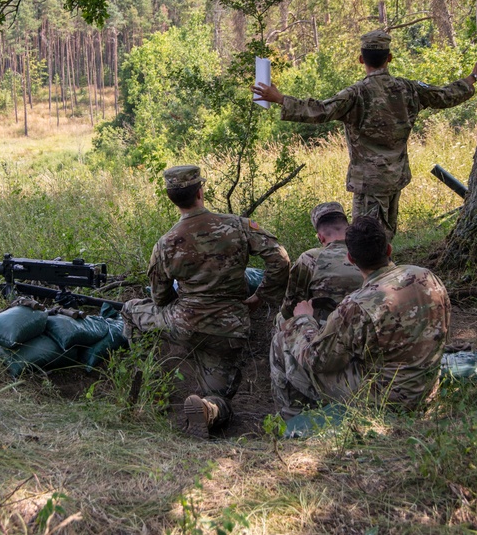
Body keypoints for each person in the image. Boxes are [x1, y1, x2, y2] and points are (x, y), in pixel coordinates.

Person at [253, 30, 477, 239]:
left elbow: (320, 110)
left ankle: (374, 290)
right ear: (389, 58)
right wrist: (474, 77)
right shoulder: (409, 89)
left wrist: (280, 99)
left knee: (366, 241)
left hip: (370, 182)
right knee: (385, 237)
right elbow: (445, 95)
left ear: (361, 60)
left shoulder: (355, 93)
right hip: (396, 176)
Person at [121, 165, 290, 438]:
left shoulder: (166, 243)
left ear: (171, 198)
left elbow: (159, 297)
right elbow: (280, 260)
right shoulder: (238, 226)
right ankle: (209, 408)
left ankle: (150, 384)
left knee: (130, 310)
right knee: (220, 396)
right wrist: (260, 296)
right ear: (201, 192)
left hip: (183, 323)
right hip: (229, 328)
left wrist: (185, 308)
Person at [277, 216, 450, 411]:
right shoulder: (427, 276)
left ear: (351, 258)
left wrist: (302, 320)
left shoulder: (356, 305)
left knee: (283, 342)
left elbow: (316, 360)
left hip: (386, 399)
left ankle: (293, 419)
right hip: (426, 387)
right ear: (389, 249)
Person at [270, 201, 364, 418]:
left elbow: (290, 307)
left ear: (321, 237)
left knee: (282, 326)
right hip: (363, 335)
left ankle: (290, 410)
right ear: (348, 229)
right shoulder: (366, 253)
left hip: (325, 336)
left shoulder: (310, 258)